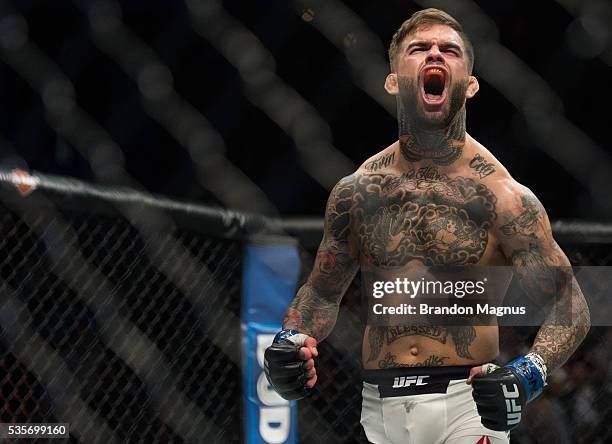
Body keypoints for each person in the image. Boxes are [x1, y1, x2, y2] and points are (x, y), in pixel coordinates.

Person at [264, 8, 590, 444]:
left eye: (450, 50)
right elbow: (321, 292)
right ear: (393, 79)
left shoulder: (503, 196)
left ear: (470, 83)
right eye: (419, 48)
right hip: (378, 410)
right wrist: (292, 337)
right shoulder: (357, 192)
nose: (435, 54)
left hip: (465, 407)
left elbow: (572, 303)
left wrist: (530, 371)